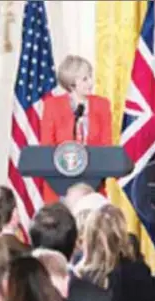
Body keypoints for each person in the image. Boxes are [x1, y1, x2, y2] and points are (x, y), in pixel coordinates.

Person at [40, 55, 112, 204]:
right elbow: (46, 148)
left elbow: (107, 147)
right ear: (71, 83)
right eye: (85, 79)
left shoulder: (102, 105)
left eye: (90, 77)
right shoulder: (52, 106)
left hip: (93, 184)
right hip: (60, 187)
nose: (91, 83)